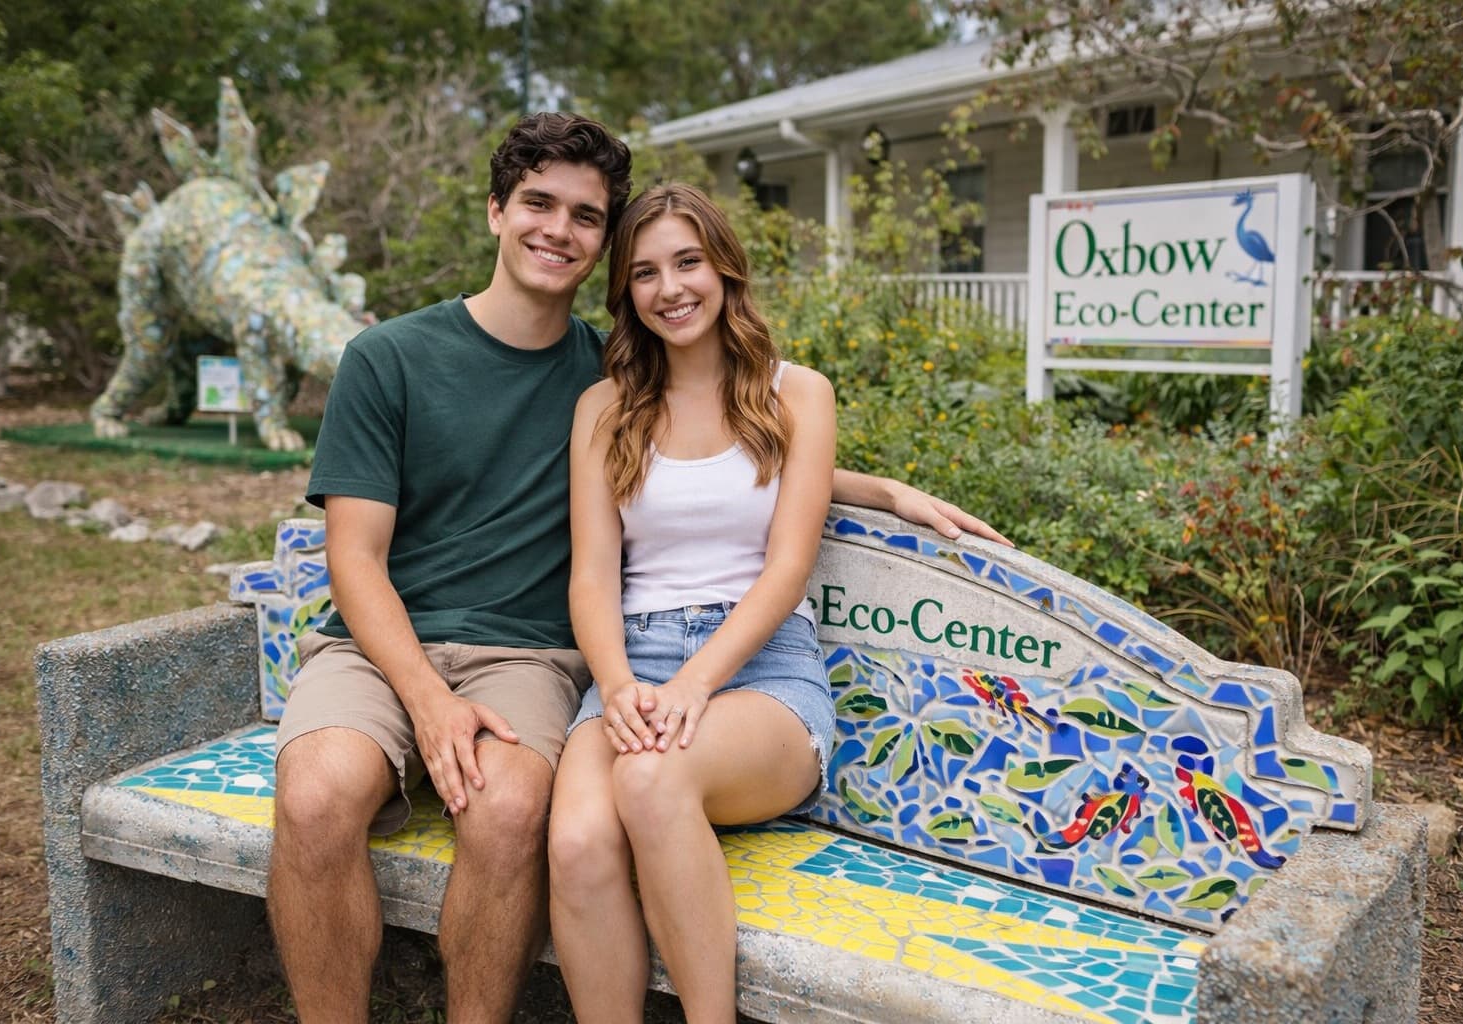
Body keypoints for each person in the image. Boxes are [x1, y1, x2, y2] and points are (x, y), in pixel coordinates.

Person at [267, 113, 1008, 1024]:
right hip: (435, 656)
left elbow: (740, 462)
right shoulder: (456, 371)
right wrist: (456, 701)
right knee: (344, 801)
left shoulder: (659, 379)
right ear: (497, 211)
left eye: (586, 217)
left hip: (581, 662)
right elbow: (364, 559)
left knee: (524, 814)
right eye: (538, 204)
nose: (559, 230)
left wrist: (879, 489)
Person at [548, 183, 838, 1023]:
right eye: (645, 273)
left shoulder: (798, 395)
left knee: (650, 779)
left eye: (687, 262)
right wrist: (621, 683)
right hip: (628, 667)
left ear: (725, 269)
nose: (670, 288)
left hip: (761, 673)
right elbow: (593, 576)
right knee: (574, 841)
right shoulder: (604, 409)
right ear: (626, 295)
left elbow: (787, 567)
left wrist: (695, 684)